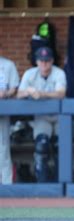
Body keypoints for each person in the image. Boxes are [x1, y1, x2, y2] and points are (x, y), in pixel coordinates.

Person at [17, 47, 66, 182]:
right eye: (41, 60)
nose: (44, 63)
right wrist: (28, 91)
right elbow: (19, 94)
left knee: (61, 147)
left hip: (59, 116)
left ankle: (60, 182)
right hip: (41, 116)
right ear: (36, 61)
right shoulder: (29, 74)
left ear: (52, 61)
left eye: (47, 60)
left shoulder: (59, 73)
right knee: (41, 145)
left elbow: (61, 93)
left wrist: (41, 94)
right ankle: (42, 184)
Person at [0, 55, 20, 184]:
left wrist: (5, 93)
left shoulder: (7, 64)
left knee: (3, 149)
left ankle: (7, 185)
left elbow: (15, 87)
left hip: (2, 110)